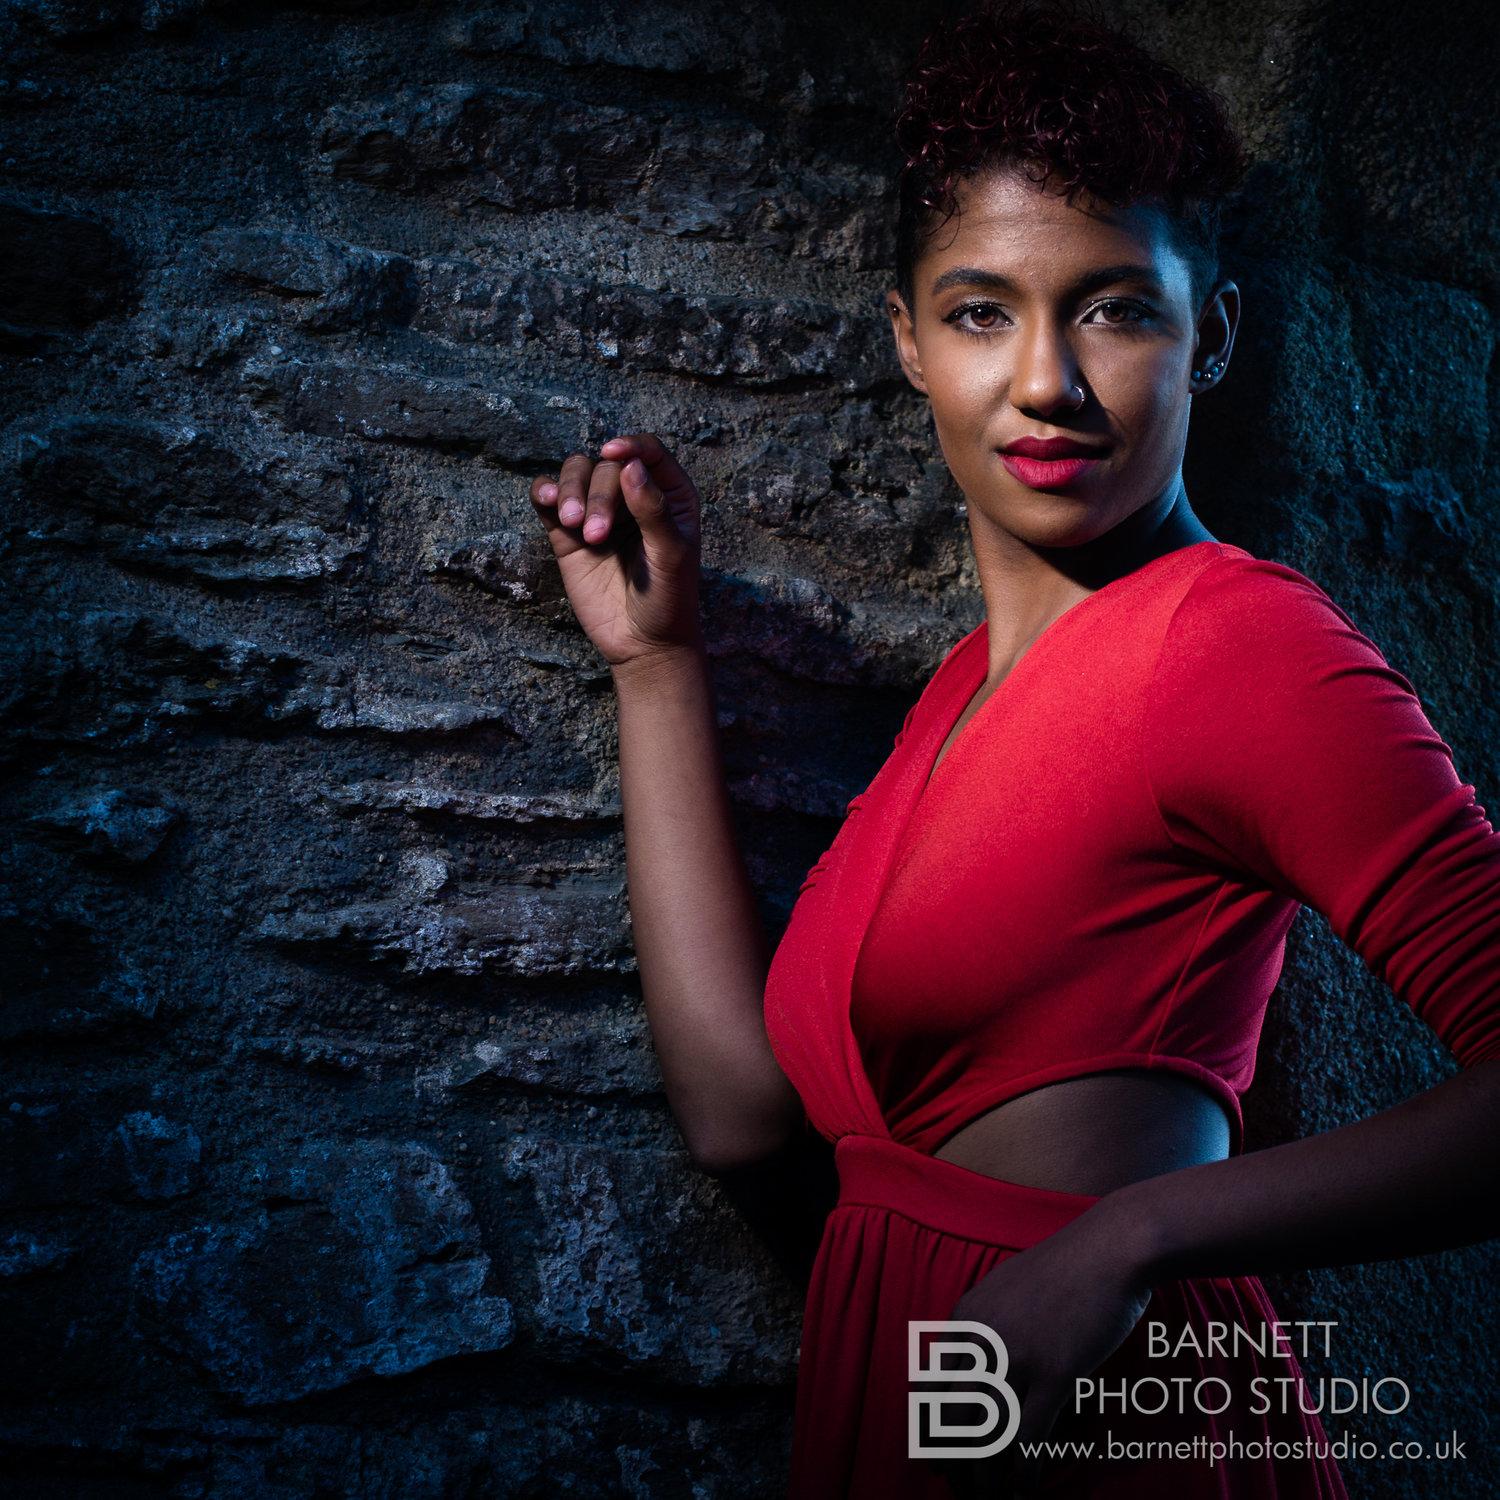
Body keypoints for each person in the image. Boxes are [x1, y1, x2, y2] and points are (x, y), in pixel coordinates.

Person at [528, 3, 1500, 1495]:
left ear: (1211, 335)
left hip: (1120, 1417)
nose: (1046, 380)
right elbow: (740, 1114)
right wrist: (660, 670)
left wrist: (1135, 1232)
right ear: (911, 343)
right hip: (923, 1407)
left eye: (1114, 307)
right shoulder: (955, 702)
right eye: (984, 311)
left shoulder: (1235, 645)